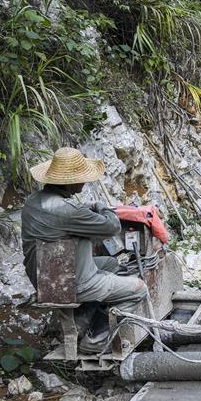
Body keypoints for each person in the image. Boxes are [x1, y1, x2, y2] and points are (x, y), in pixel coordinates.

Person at [22, 147, 148, 353]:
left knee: (111, 264)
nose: (85, 182)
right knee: (139, 289)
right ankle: (95, 340)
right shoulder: (69, 211)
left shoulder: (33, 201)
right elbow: (112, 227)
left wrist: (84, 209)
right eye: (81, 178)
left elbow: (61, 220)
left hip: (42, 276)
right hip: (66, 283)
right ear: (68, 182)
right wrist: (102, 207)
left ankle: (81, 320)